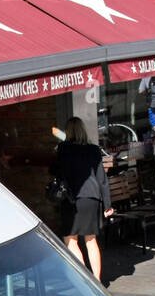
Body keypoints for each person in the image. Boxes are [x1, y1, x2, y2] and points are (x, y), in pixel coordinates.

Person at [48, 116, 113, 284]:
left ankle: (86, 280)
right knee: (91, 240)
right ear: (83, 130)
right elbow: (102, 178)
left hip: (72, 199)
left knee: (71, 239)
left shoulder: (63, 149)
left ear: (68, 132)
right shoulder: (93, 149)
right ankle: (97, 279)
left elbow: (55, 170)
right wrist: (108, 204)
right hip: (92, 198)